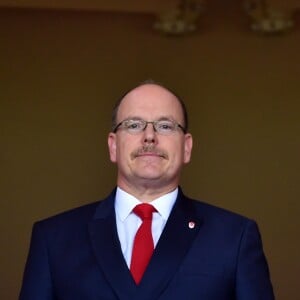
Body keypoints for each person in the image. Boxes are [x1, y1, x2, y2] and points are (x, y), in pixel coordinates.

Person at [19, 81, 275, 299]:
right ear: (113, 146)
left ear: (186, 147)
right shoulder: (54, 239)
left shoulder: (234, 238)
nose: (149, 136)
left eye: (165, 126)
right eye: (133, 125)